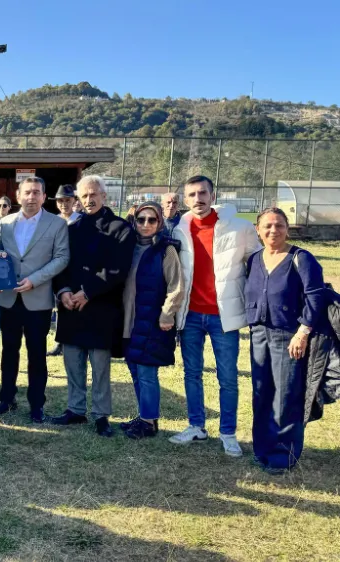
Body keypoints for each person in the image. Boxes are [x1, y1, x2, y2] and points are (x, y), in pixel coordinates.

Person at [169, 175, 262, 456]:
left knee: (228, 377)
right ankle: (196, 425)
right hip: (191, 314)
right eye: (192, 194)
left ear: (212, 195)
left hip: (225, 316)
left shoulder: (240, 228)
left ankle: (228, 432)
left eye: (203, 193)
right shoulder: (178, 231)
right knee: (192, 373)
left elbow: (259, 266)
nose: (198, 198)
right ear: (185, 200)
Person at [50, 175, 135, 437]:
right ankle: (75, 409)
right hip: (71, 307)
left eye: (93, 194)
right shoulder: (71, 229)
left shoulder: (121, 228)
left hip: (102, 308)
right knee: (73, 362)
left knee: (100, 367)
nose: (89, 200)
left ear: (104, 196)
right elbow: (60, 263)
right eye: (84, 196)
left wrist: (87, 292)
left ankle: (101, 414)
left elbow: (118, 269)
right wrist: (63, 291)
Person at [245, 208, 328, 473]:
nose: (273, 231)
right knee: (261, 393)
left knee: (286, 396)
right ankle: (262, 448)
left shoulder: (301, 259)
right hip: (259, 334)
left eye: (279, 225)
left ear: (287, 228)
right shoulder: (254, 259)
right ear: (257, 230)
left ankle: (283, 454)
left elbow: (316, 296)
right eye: (267, 226)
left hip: (289, 337)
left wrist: (302, 332)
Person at [0, 177, 69, 423]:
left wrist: (34, 279)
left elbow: (62, 257)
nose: (31, 197)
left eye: (36, 193)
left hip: (38, 299)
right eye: (27, 192)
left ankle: (36, 404)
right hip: (9, 299)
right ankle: (7, 398)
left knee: (36, 354)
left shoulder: (56, 224)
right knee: (9, 351)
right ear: (18, 195)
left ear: (44, 197)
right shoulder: (7, 222)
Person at [118, 202, 184, 439]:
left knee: (146, 373)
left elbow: (176, 286)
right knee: (135, 370)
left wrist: (167, 314)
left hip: (152, 321)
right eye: (141, 219)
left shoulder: (166, 250)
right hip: (128, 320)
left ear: (160, 223)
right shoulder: (129, 247)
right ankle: (145, 416)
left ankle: (149, 422)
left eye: (152, 220)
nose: (146, 224)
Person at [47, 184, 82, 357]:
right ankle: (59, 341)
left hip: (75, 270)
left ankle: (73, 341)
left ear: (74, 201)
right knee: (58, 307)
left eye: (67, 200)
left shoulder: (81, 221)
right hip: (56, 271)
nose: (64, 204)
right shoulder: (53, 221)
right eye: (61, 201)